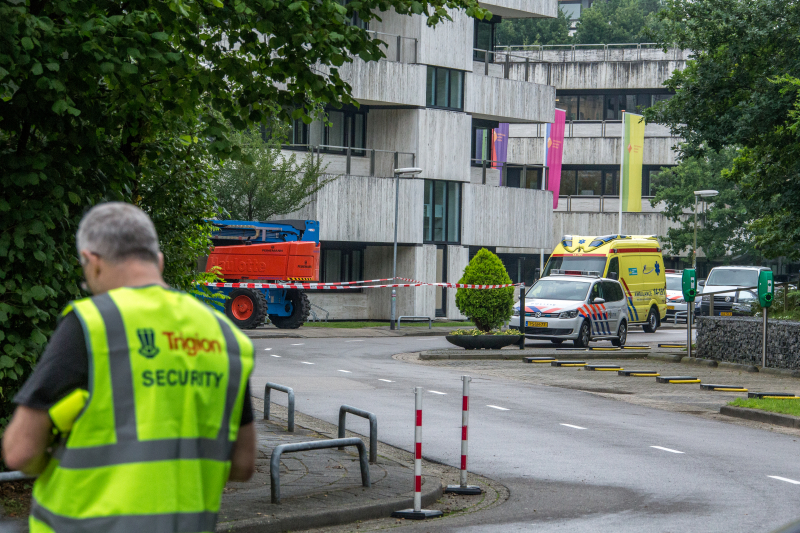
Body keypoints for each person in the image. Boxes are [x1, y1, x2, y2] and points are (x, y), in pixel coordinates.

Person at [2, 202, 256, 532]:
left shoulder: (95, 323)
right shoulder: (225, 336)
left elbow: (20, 451)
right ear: (159, 261)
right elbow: (243, 464)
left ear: (92, 262)